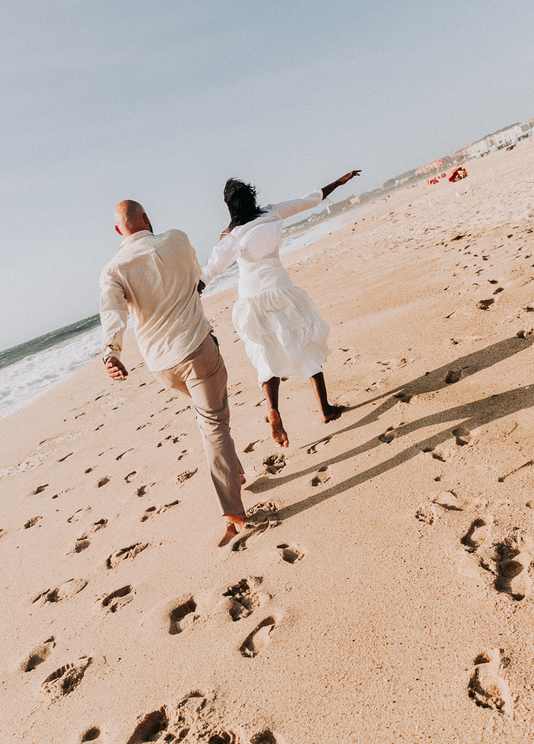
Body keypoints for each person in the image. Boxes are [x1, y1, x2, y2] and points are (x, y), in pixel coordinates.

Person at [99, 200, 248, 547]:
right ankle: (232, 511)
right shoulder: (178, 239)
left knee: (211, 417)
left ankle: (236, 472)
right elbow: (195, 276)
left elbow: (113, 315)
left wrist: (112, 352)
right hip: (196, 349)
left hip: (162, 365)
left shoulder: (113, 269)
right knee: (213, 423)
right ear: (147, 218)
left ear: (119, 231)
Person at [201, 170, 361, 448]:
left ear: (230, 207)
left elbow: (211, 268)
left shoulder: (232, 235)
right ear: (252, 198)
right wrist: (337, 182)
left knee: (266, 354)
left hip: (251, 297)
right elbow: (307, 201)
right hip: (281, 289)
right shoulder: (271, 214)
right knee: (306, 343)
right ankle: (325, 408)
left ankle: (273, 408)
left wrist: (195, 287)